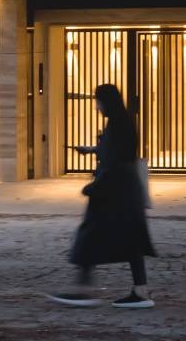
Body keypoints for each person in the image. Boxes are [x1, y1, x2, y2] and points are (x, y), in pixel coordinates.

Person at [49, 81, 156, 308]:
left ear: (106, 101)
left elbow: (115, 161)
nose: (97, 107)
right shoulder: (122, 122)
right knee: (129, 240)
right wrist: (91, 150)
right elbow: (116, 152)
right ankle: (140, 291)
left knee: (90, 235)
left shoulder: (117, 125)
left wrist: (94, 187)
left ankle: (83, 291)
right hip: (124, 192)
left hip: (113, 193)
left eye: (98, 102)